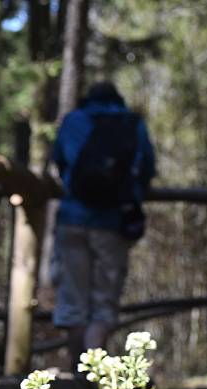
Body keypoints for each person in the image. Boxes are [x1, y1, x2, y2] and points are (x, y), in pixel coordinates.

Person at [51, 81, 156, 370]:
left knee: (73, 302)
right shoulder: (132, 124)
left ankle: (76, 373)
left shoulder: (73, 121)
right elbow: (147, 168)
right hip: (112, 224)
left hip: (72, 219)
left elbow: (59, 161)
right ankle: (95, 377)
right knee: (104, 303)